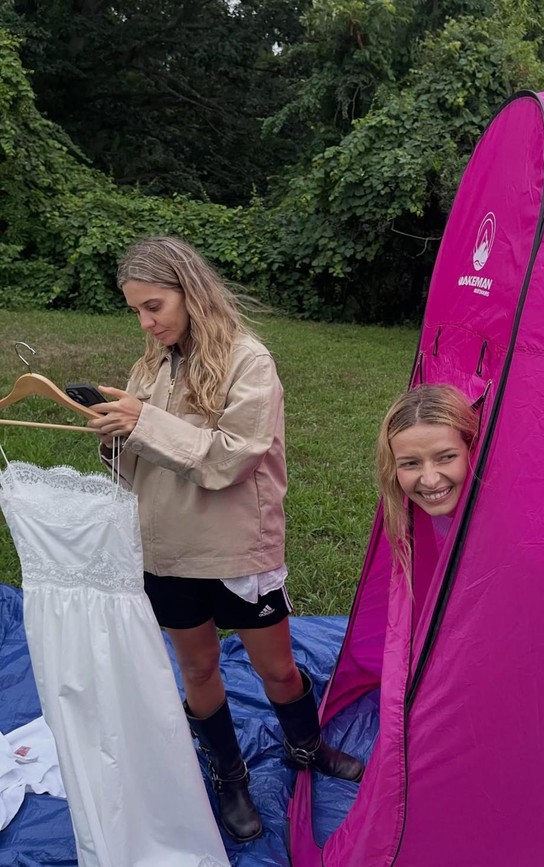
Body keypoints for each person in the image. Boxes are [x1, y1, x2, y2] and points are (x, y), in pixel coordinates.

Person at [87, 236, 363, 844]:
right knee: (198, 666)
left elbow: (232, 460)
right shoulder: (148, 367)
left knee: (278, 669)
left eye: (154, 305)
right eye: (135, 309)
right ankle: (230, 774)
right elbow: (134, 466)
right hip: (167, 550)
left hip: (236, 547)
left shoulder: (248, 361)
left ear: (191, 292)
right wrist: (114, 438)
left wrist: (142, 422)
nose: (146, 321)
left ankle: (305, 745)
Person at [376, 383, 478, 577]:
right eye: (411, 463)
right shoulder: (404, 513)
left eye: (446, 457)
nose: (430, 481)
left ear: (472, 449)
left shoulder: (501, 522)